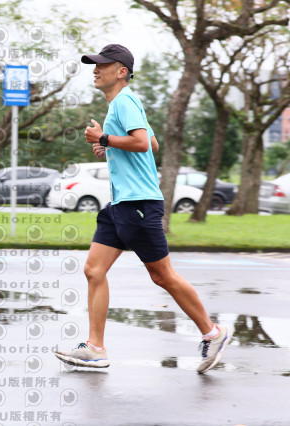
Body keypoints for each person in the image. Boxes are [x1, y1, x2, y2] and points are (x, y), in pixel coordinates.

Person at [54, 44, 232, 374]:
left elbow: (140, 143)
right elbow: (152, 144)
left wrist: (105, 139)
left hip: (139, 204)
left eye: (102, 65)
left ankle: (213, 332)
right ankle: (95, 347)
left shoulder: (124, 101)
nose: (95, 70)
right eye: (94, 65)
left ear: (121, 71)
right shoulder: (121, 104)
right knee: (94, 270)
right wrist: (110, 146)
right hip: (120, 204)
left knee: (162, 275)